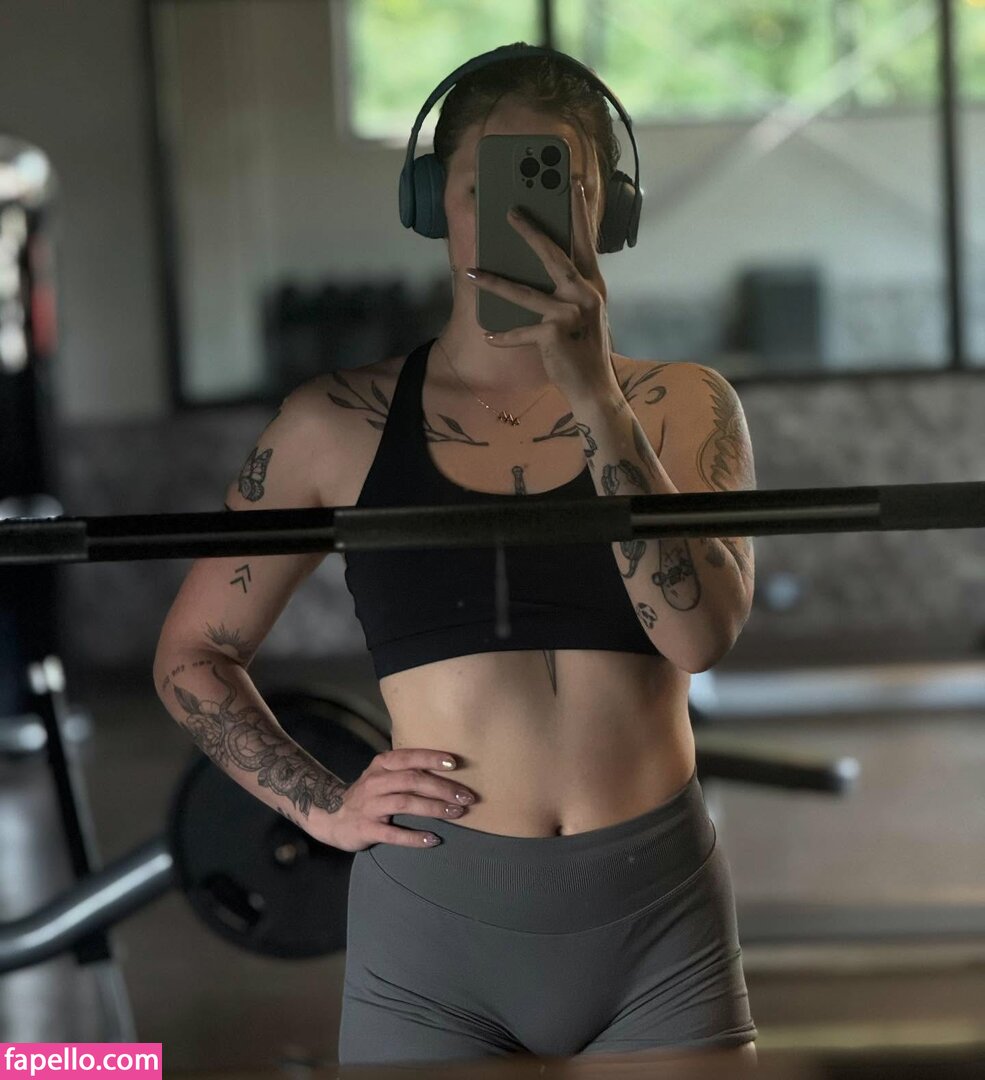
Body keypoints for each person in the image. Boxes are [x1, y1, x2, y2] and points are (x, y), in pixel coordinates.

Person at [153, 43, 759, 1070]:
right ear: (434, 201)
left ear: (608, 211)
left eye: (558, 183)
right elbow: (191, 655)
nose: (525, 219)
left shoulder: (681, 404)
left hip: (657, 915)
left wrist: (593, 394)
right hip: (435, 934)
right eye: (488, 186)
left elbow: (698, 637)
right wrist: (323, 807)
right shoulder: (334, 423)